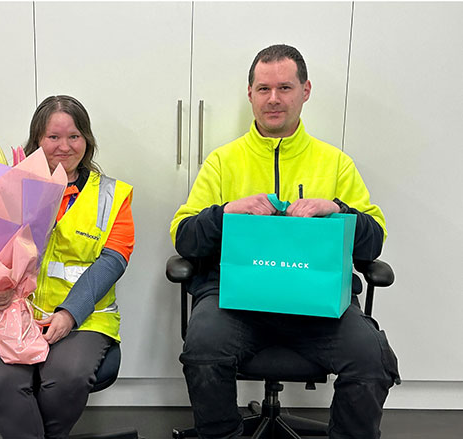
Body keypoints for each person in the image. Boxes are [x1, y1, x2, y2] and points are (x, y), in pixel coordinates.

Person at [170, 45, 400, 439]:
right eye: (263, 89)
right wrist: (227, 211)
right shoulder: (223, 162)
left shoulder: (335, 163)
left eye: (285, 88)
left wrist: (338, 209)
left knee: (370, 357)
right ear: (250, 95)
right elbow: (185, 238)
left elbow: (373, 242)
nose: (273, 99)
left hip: (318, 304)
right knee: (204, 347)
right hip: (235, 301)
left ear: (305, 90)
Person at [0, 95, 135, 439]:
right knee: (2, 381)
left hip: (84, 317)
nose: (64, 146)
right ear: (36, 141)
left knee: (66, 377)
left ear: (86, 141)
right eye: (53, 137)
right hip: (7, 312)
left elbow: (113, 261)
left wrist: (69, 314)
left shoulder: (112, 195)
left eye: (74, 136)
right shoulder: (3, 189)